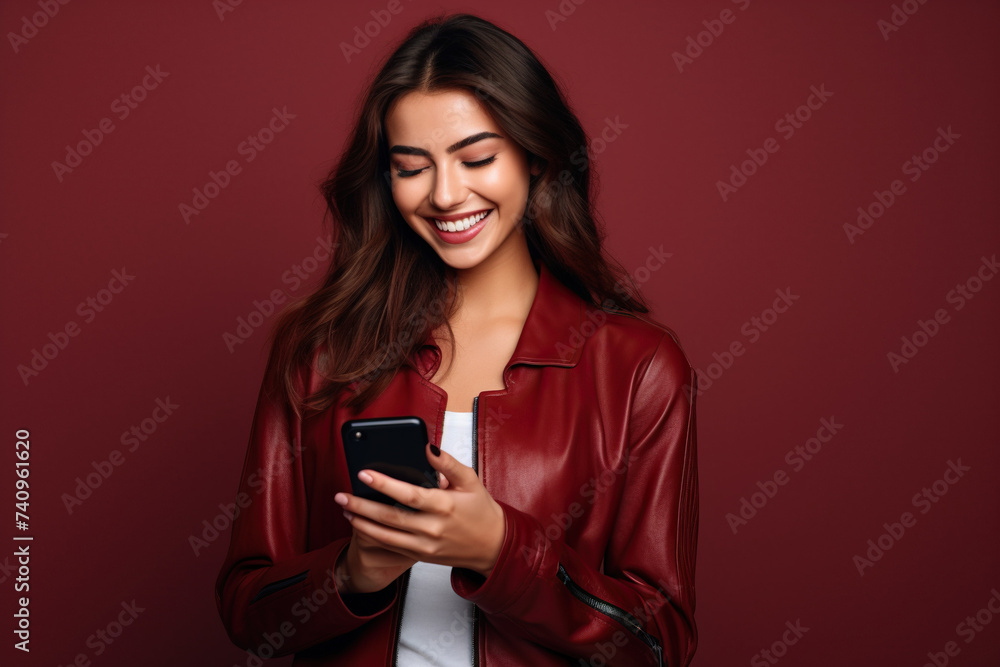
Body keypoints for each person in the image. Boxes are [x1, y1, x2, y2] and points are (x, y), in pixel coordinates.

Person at [215, 12, 698, 667]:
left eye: (476, 158)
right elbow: (249, 610)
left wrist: (502, 552)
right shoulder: (320, 352)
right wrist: (352, 571)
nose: (445, 195)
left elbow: (657, 642)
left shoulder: (638, 366)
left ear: (535, 155)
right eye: (411, 166)